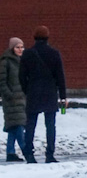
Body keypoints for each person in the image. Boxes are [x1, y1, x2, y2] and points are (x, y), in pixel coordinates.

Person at [19, 26, 66, 164]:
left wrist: (27, 90)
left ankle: (29, 155)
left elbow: (21, 76)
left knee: (30, 125)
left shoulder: (28, 54)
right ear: (47, 37)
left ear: (34, 37)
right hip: (50, 92)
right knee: (50, 125)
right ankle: (50, 154)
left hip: (33, 92)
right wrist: (62, 95)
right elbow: (60, 76)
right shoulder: (54, 53)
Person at [1, 38, 23, 162]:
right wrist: (9, 95)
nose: (20, 50)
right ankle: (26, 149)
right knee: (18, 125)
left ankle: (10, 152)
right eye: (17, 47)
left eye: (22, 47)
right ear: (12, 48)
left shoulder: (21, 61)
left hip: (21, 99)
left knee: (14, 126)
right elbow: (2, 81)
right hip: (11, 100)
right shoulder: (6, 62)